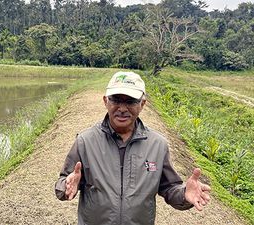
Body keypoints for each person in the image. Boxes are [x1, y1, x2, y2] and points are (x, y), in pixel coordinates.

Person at [54, 71, 211, 225]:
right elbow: (63, 182)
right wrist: (66, 186)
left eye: (130, 101)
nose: (122, 108)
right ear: (105, 101)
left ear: (142, 104)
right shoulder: (85, 141)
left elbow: (169, 188)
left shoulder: (157, 145)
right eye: (116, 100)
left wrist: (184, 194)